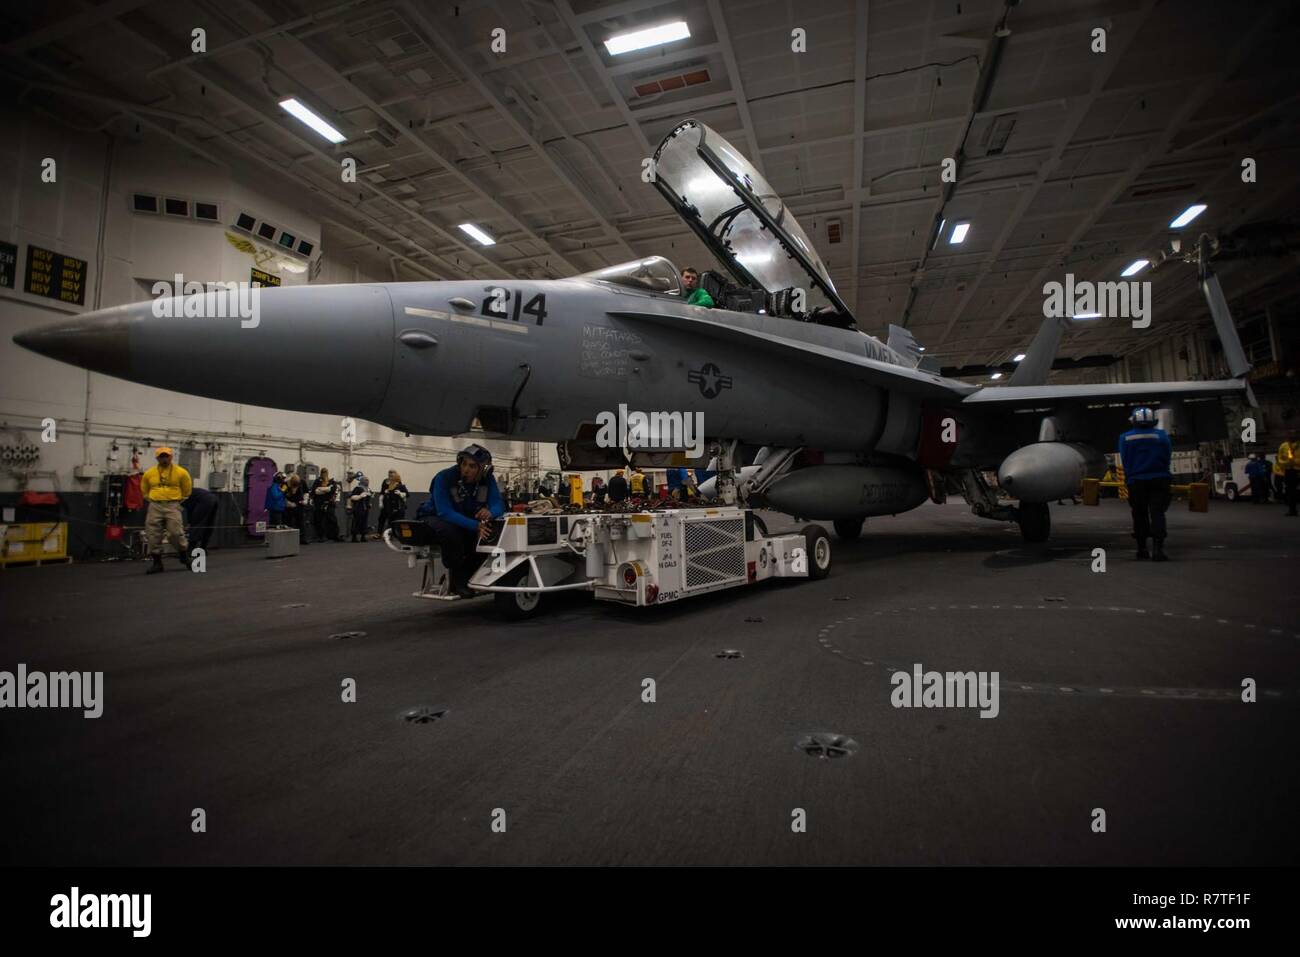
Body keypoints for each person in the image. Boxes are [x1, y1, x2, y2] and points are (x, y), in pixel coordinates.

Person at [421, 444, 505, 598]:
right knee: (452, 532)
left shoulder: (488, 479)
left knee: (491, 531)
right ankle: (457, 580)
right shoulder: (444, 477)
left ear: (483, 469)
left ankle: (475, 575)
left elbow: (499, 504)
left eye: (472, 466)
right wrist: (475, 526)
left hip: (464, 518)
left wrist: (490, 512)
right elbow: (444, 512)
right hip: (434, 517)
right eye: (464, 464)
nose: (466, 469)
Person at [1119, 407, 1173, 561]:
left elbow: (1125, 459)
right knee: (1158, 513)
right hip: (1160, 478)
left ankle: (1142, 549)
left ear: (1133, 421)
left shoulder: (1125, 438)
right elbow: (1167, 455)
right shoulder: (1161, 436)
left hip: (1136, 480)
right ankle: (1158, 549)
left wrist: (1130, 476)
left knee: (1139, 514)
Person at [140, 446, 192, 574]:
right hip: (155, 505)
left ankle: (184, 556)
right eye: (161, 456)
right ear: (157, 458)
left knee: (175, 532)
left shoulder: (181, 472)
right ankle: (157, 563)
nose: (164, 459)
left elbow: (187, 490)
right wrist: (152, 500)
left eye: (166, 456)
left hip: (172, 505)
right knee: (152, 534)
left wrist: (177, 501)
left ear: (171, 457)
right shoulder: (149, 473)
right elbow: (144, 489)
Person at [183, 485, 219, 558]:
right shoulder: (190, 490)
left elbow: (190, 509)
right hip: (214, 498)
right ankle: (203, 548)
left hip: (204, 500)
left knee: (197, 525)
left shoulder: (181, 496)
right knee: (209, 524)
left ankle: (191, 550)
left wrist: (190, 522)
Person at [311, 468, 342, 542]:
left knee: (333, 520)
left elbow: (333, 490)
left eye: (325, 472)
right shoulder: (317, 481)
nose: (324, 473)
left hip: (329, 503)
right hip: (319, 504)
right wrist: (326, 489)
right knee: (319, 520)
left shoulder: (332, 481)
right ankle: (321, 536)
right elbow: (315, 491)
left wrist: (321, 489)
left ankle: (335, 535)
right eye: (323, 472)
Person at [376, 470, 409, 537]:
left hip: (397, 506)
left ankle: (394, 534)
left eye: (392, 475)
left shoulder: (400, 485)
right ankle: (381, 533)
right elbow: (382, 493)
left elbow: (407, 494)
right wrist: (381, 502)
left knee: (396, 520)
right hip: (388, 505)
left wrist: (401, 493)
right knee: (383, 519)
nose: (391, 477)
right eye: (390, 475)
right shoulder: (386, 482)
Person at [283, 473, 309, 544]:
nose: (295, 489)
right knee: (289, 522)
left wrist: (305, 500)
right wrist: (288, 503)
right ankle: (289, 539)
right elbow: (282, 495)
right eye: (294, 486)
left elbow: (306, 492)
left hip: (300, 505)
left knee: (301, 522)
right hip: (289, 506)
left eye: (296, 486)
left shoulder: (302, 482)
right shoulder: (285, 484)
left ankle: (302, 539)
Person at [346, 473, 372, 542]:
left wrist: (369, 504)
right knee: (356, 522)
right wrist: (360, 496)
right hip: (358, 508)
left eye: (368, 480)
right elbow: (352, 497)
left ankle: (363, 536)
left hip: (365, 509)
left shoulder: (368, 489)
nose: (367, 481)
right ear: (362, 481)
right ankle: (354, 537)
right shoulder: (357, 488)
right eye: (366, 480)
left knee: (364, 523)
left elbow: (369, 498)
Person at [1279, 431, 1300, 517]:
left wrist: (1295, 462)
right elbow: (1280, 459)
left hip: (1298, 469)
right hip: (1289, 471)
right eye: (1290, 434)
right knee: (1290, 491)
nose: (1292, 436)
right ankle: (1292, 510)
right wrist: (1286, 463)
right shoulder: (1284, 446)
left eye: (1294, 434)